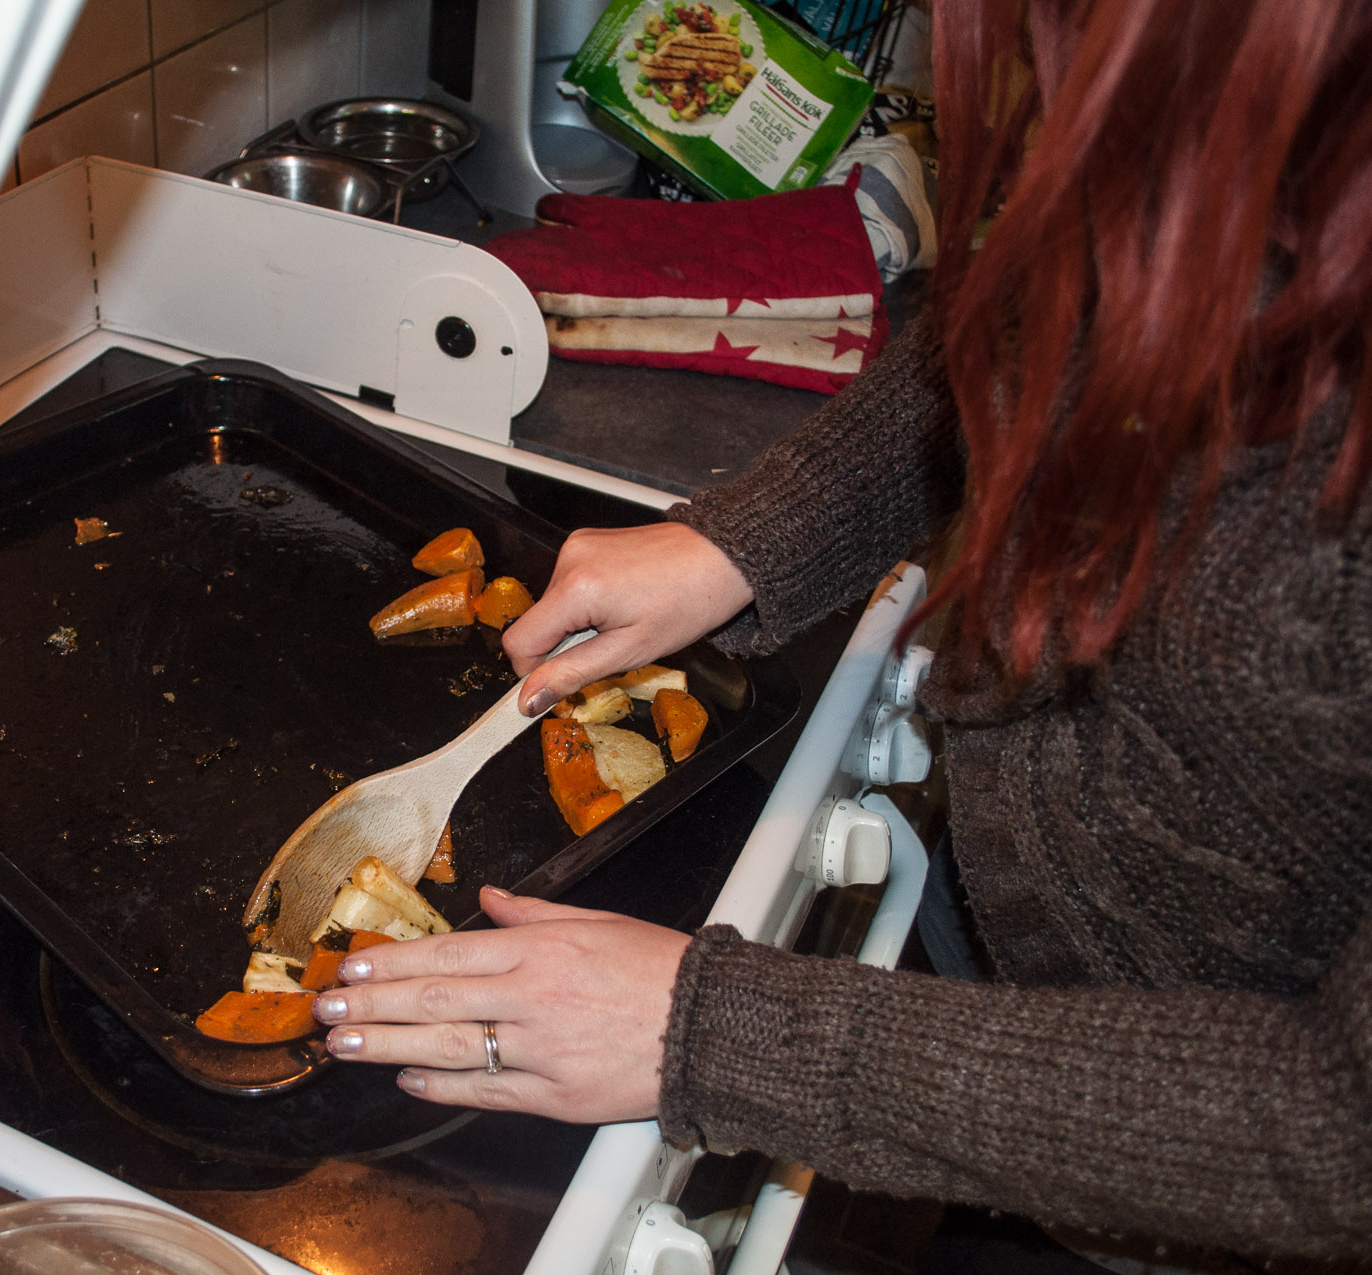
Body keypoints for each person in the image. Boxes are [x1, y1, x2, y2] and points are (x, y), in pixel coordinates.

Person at [308, 0, 1372, 1261]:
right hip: (1037, 959)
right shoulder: (1261, 135)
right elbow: (1057, 336)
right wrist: (749, 538)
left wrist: (710, 1037)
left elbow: (1340, 1130)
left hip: (1200, 1167)